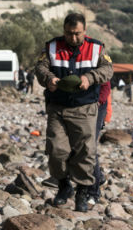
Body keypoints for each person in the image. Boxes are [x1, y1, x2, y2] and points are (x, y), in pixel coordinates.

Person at [35, 12, 113, 212]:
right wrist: (49, 79)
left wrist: (91, 77)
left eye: (77, 33)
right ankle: (63, 186)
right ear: (64, 31)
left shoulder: (96, 48)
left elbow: (108, 70)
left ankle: (83, 193)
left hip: (85, 108)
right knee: (56, 150)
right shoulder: (52, 46)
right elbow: (40, 68)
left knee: (86, 152)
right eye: (69, 33)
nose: (73, 38)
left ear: (85, 31)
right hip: (57, 108)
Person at [88, 81, 111, 204]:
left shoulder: (101, 62)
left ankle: (93, 192)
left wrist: (99, 102)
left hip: (97, 104)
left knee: (90, 147)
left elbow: (106, 86)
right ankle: (99, 177)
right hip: (78, 104)